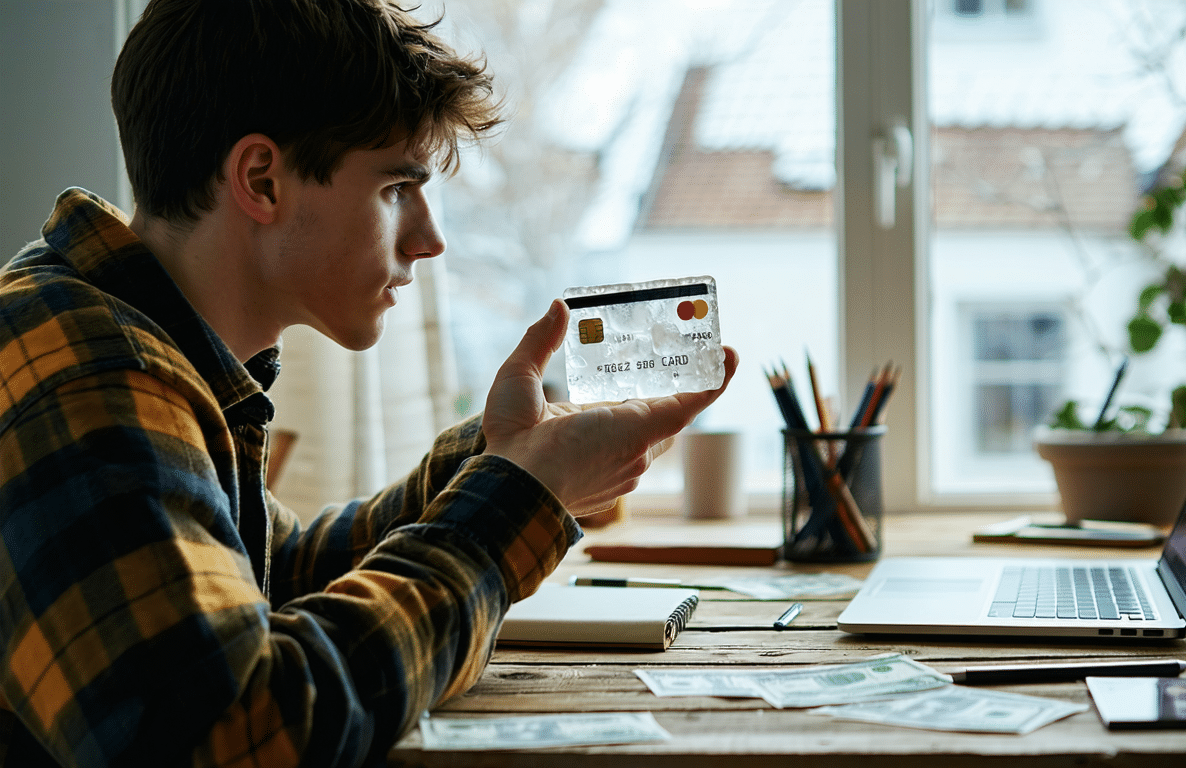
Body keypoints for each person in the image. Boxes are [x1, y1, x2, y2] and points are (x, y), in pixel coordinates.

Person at [0, 1, 738, 766]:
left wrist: (498, 462)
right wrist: (516, 504)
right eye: (396, 188)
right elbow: (235, 734)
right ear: (262, 179)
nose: (429, 240)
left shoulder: (136, 344)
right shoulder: (89, 380)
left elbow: (276, 577)